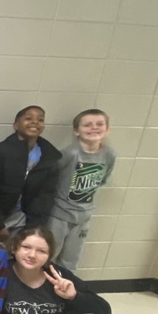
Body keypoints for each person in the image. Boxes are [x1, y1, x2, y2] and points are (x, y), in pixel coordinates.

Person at [47, 109, 116, 271]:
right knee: (49, 253)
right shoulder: (68, 154)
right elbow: (51, 180)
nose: (94, 128)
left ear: (107, 129)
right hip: (59, 214)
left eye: (99, 124)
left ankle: (65, 284)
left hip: (84, 216)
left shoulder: (109, 155)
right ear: (77, 131)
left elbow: (103, 179)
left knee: (71, 257)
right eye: (87, 125)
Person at [0, 105, 60, 230]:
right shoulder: (0, 152)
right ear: (16, 125)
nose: (35, 122)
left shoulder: (49, 156)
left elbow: (45, 196)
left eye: (40, 120)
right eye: (28, 118)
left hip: (26, 220)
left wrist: (35, 226)